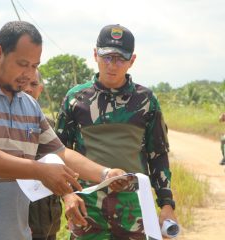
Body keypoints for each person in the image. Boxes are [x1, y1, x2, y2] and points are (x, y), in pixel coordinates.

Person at [0, 21, 126, 240]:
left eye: (34, 66)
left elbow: (60, 153)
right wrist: (39, 170)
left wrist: (105, 174)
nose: (29, 74)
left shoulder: (28, 105)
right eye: (22, 64)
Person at [55, 24, 177, 239]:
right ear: (95, 55)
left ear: (132, 60)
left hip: (134, 208)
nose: (113, 65)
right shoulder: (76, 98)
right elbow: (58, 153)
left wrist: (167, 205)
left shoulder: (146, 101)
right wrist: (67, 195)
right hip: (87, 206)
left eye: (121, 59)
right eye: (107, 57)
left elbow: (157, 154)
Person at [24, 70, 62, 240]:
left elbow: (62, 160)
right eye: (24, 83)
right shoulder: (3, 122)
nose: (28, 89)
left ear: (40, 89)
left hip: (48, 214)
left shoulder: (50, 124)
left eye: (33, 84)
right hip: (22, 215)